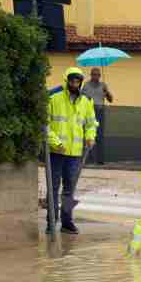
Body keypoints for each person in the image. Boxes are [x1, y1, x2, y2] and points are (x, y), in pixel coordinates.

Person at [46, 67, 97, 235]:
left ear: (81, 83)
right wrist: (56, 143)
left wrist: (90, 136)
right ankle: (51, 222)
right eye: (72, 81)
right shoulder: (54, 98)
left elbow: (91, 123)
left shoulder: (86, 101)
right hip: (56, 152)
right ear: (66, 80)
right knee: (53, 187)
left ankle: (67, 222)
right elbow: (44, 125)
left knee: (69, 189)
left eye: (77, 81)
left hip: (75, 154)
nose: (75, 84)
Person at [82, 67, 114, 164]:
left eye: (98, 75)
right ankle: (89, 159)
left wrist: (106, 92)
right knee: (89, 135)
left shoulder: (103, 85)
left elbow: (111, 99)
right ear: (91, 75)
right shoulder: (86, 86)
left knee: (100, 136)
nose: (96, 77)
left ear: (100, 76)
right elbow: (81, 98)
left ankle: (100, 160)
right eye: (94, 74)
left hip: (100, 111)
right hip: (89, 112)